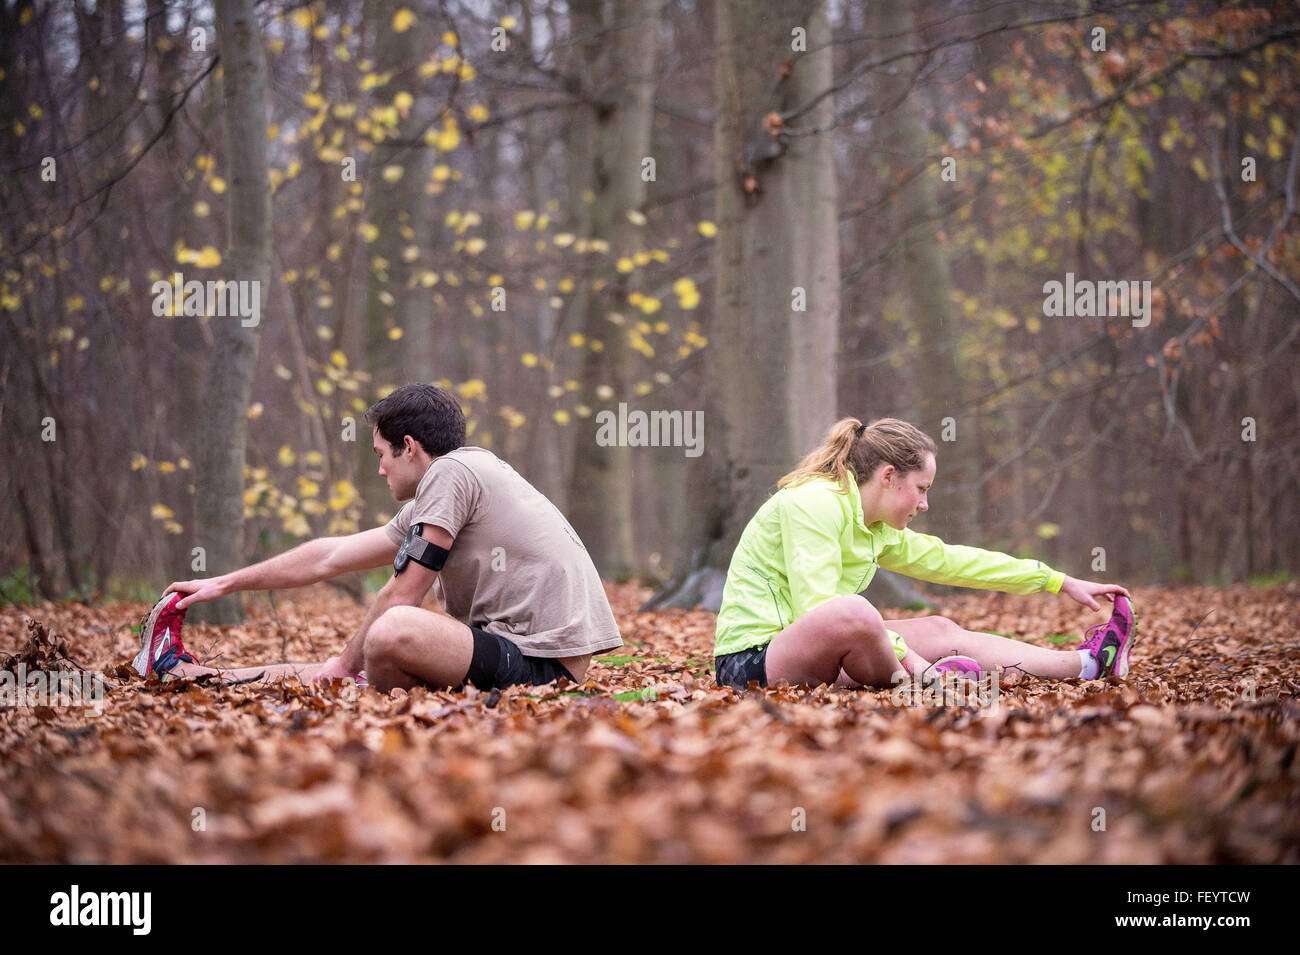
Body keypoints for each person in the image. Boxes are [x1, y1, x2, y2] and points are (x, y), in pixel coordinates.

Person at [132, 383, 623, 692]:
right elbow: (331, 557)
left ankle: (353, 683)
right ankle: (192, 677)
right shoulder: (451, 487)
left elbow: (405, 591)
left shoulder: (454, 473)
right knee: (364, 654)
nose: (381, 468)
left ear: (409, 447)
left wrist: (345, 664)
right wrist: (222, 583)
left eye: (382, 454)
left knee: (390, 632)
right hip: (511, 653)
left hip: (542, 667)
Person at [712, 417, 1138, 691]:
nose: (924, 505)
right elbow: (819, 608)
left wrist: (1058, 580)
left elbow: (954, 561)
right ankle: (930, 681)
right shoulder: (814, 502)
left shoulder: (875, 526)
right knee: (856, 612)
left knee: (939, 627)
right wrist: (914, 659)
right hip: (750, 663)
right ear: (888, 476)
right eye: (921, 490)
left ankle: (1086, 664)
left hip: (811, 651)